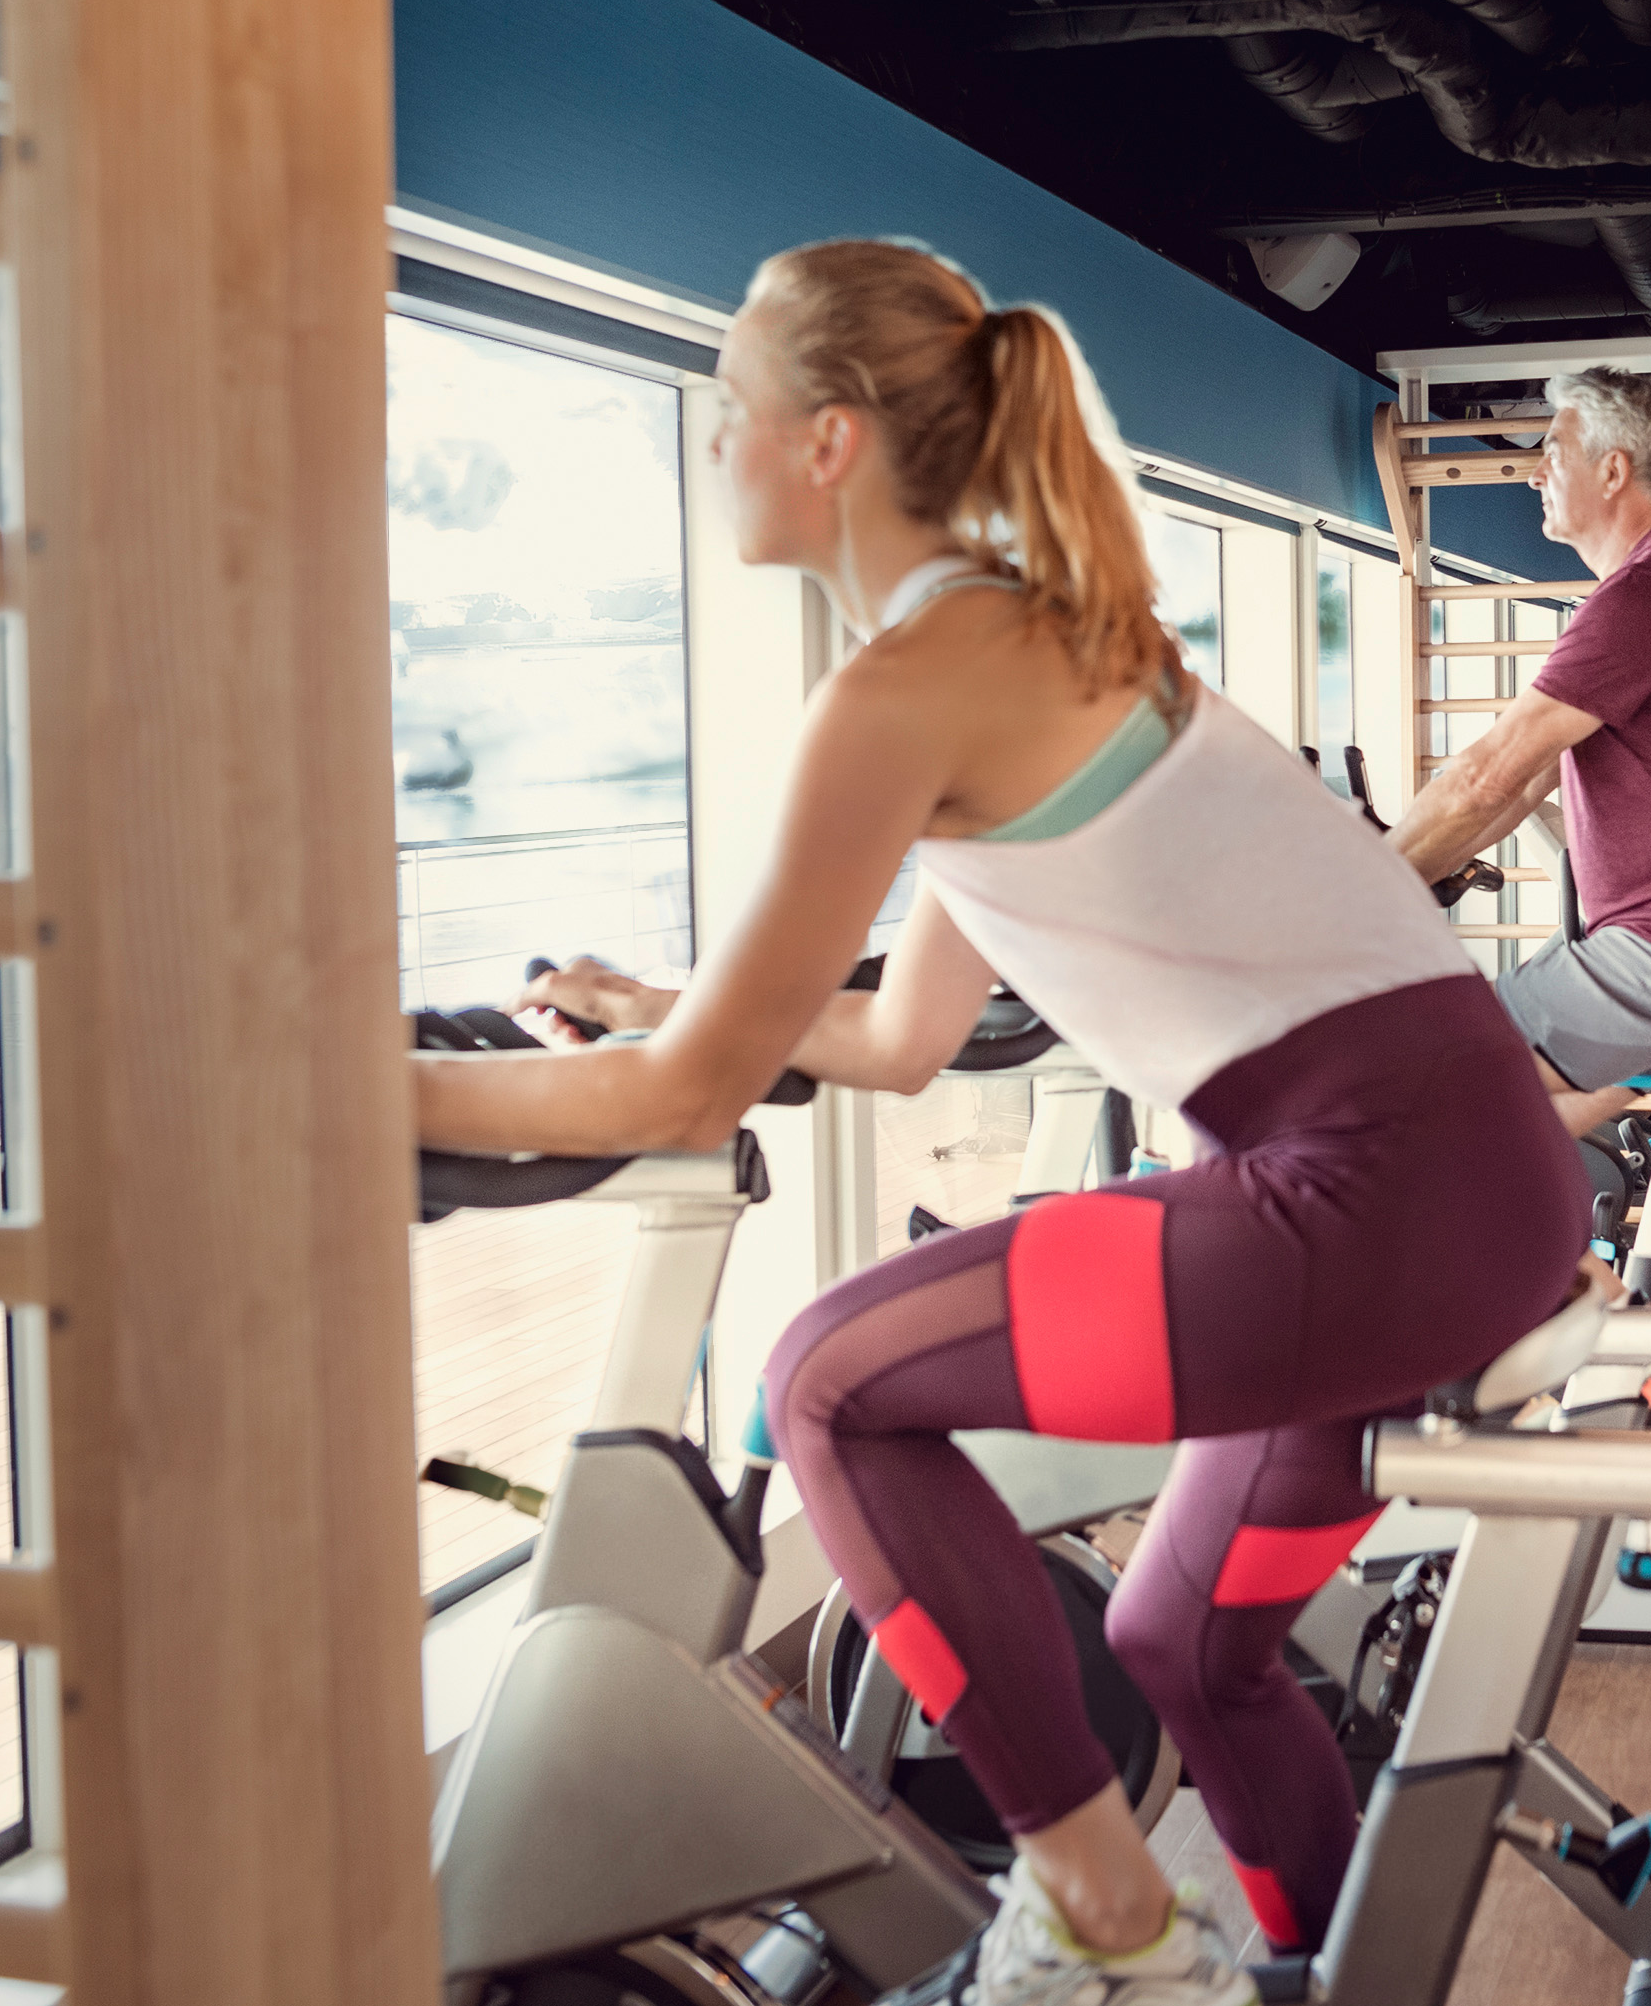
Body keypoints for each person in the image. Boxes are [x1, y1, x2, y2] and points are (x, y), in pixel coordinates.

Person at [421, 240, 1590, 2006]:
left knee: (822, 1379)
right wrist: (669, 1001)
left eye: (726, 412)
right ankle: (1316, 1974)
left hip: (1361, 1194)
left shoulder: (907, 682)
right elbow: (897, 1038)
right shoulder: (1031, 639)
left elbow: (687, 1104)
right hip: (1465, 1183)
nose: (708, 446)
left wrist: (348, 1087)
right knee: (1178, 1639)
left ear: (826, 443)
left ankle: (1110, 1928)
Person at [1390, 366, 1651, 1139]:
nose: (1532, 472)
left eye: (1552, 449)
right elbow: (1519, 785)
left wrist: (1364, 882)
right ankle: (1562, 1254)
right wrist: (1423, 861)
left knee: (1407, 1075)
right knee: (1499, 1133)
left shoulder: (1646, 594)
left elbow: (1486, 774)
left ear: (1612, 470)